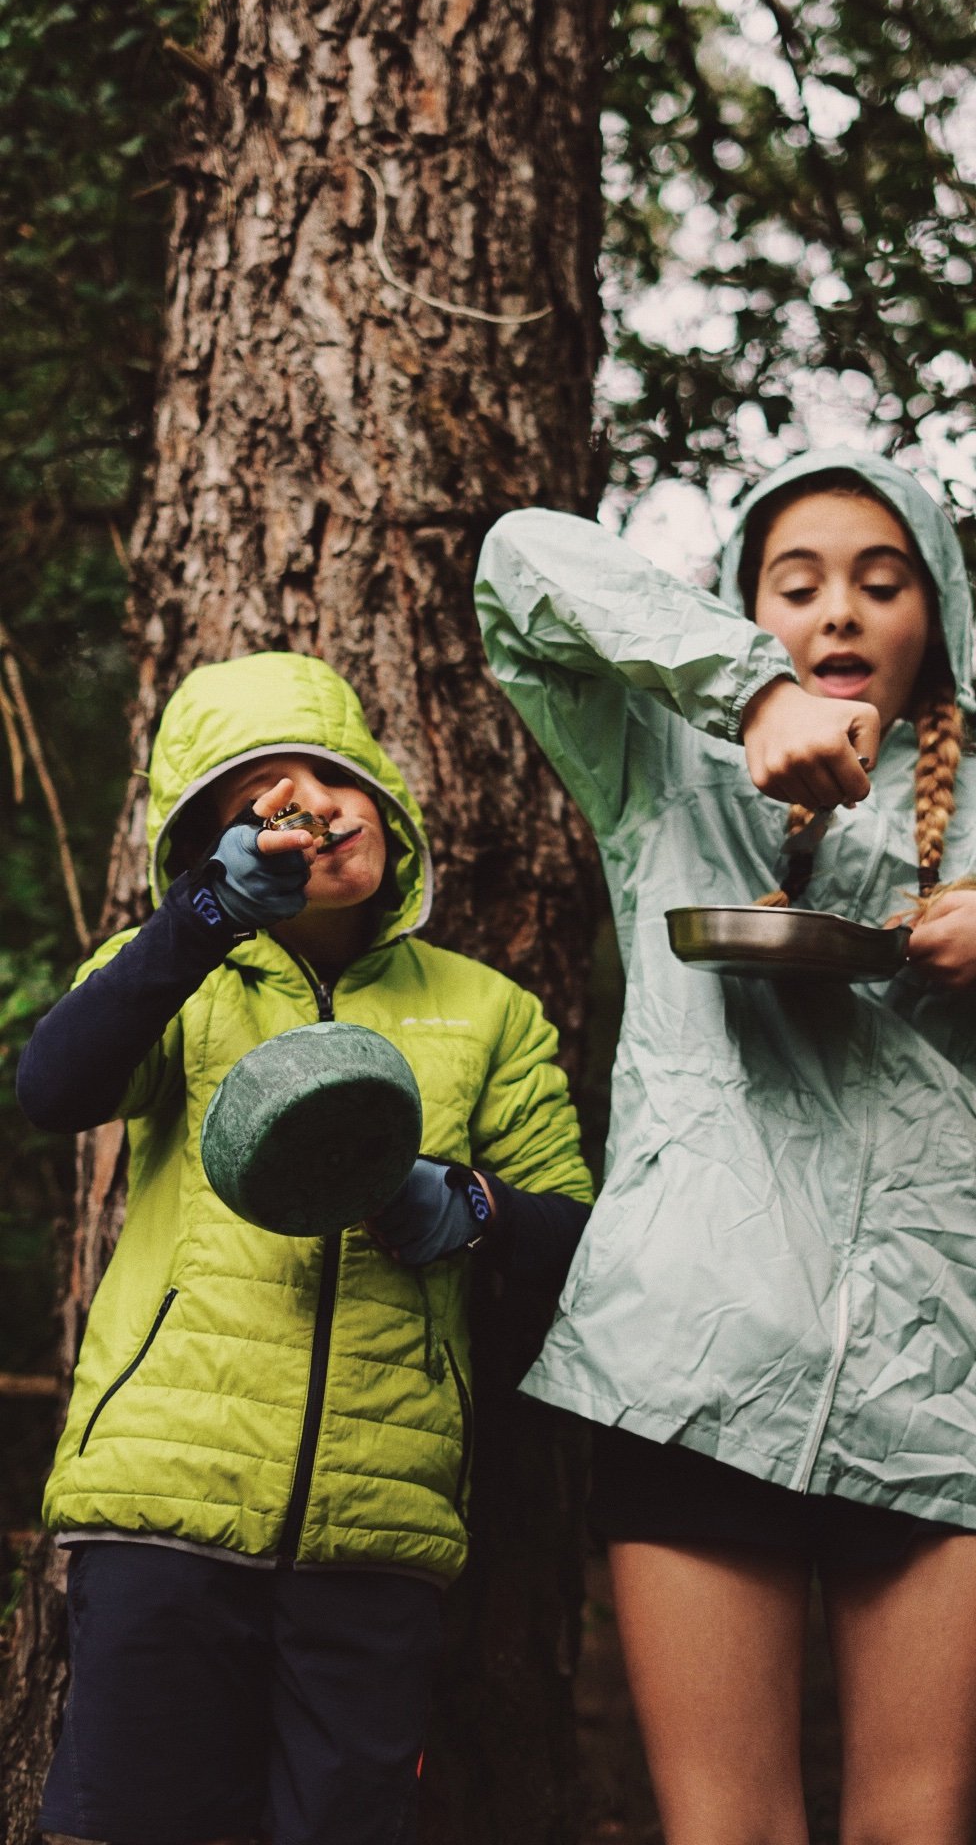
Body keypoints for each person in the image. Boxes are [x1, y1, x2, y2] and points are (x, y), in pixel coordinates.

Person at [474, 448, 976, 1845]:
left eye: (882, 582)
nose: (842, 614)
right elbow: (519, 564)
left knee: (913, 1831)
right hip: (694, 1358)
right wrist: (749, 693)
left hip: (947, 1383)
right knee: (727, 1828)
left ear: (941, 614)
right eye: (796, 586)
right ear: (752, 608)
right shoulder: (661, 774)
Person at [18, 649, 592, 1845]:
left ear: (379, 791)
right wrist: (202, 925)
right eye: (255, 801)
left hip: (379, 1530)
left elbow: (575, 1235)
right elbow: (55, 1088)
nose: (303, 807)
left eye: (325, 774)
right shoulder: (181, 977)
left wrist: (472, 1206)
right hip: (161, 1501)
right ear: (216, 849)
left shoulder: (489, 1010)